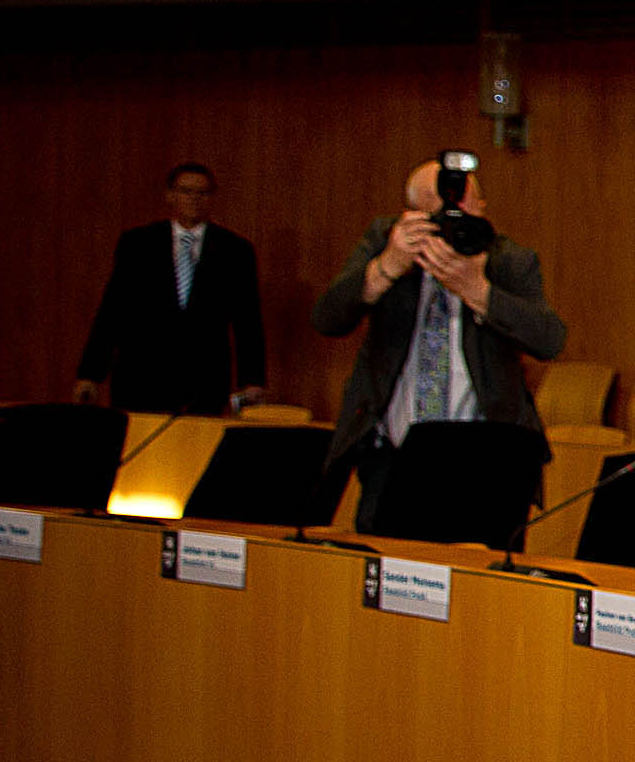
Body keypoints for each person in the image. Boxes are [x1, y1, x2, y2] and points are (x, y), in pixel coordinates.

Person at [312, 159, 568, 530]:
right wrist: (386, 268)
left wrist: (477, 291)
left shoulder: (508, 260)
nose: (452, 222)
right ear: (411, 215)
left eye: (463, 207)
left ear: (482, 207)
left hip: (486, 463)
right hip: (393, 458)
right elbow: (327, 319)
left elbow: (550, 340)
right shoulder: (385, 245)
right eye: (437, 212)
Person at [74, 160, 268, 414]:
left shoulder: (235, 250)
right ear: (170, 195)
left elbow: (248, 320)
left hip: (203, 380)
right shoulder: (138, 244)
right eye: (186, 191)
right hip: (140, 374)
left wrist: (253, 380)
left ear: (212, 198)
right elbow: (112, 311)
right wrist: (90, 374)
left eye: (202, 193)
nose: (194, 199)